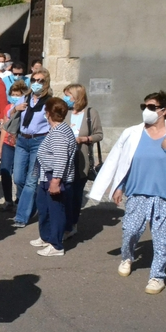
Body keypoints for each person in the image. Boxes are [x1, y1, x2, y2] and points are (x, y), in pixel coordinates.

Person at [89, 92, 166, 294]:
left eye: (151, 107)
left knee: (162, 239)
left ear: (164, 111)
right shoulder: (132, 133)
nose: (146, 111)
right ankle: (127, 257)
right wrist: (119, 186)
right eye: (143, 106)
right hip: (137, 193)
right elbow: (121, 161)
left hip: (164, 195)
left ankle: (157, 277)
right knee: (131, 231)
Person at [29, 98, 77, 257]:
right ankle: (46, 237)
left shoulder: (59, 133)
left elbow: (61, 158)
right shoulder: (57, 129)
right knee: (44, 208)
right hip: (46, 177)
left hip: (54, 178)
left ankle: (56, 245)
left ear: (48, 113)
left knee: (55, 212)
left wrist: (55, 181)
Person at [12, 69, 53, 228]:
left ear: (46, 83)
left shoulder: (49, 102)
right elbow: (9, 115)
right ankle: (31, 203)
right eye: (34, 80)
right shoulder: (24, 98)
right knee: (18, 178)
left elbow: (53, 122)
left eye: (40, 81)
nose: (36, 83)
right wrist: (16, 109)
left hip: (39, 141)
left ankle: (21, 217)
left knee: (31, 180)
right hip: (22, 140)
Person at [63, 84, 103, 239]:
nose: (66, 98)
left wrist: (84, 139)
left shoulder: (91, 113)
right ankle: (64, 222)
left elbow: (99, 134)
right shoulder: (65, 112)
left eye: (68, 95)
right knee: (65, 192)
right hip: (64, 157)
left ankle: (72, 224)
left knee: (75, 192)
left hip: (81, 158)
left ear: (77, 96)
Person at [0, 80, 29, 212]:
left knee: (19, 175)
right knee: (5, 171)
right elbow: (4, 128)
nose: (15, 97)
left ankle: (20, 200)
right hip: (8, 143)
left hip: (21, 145)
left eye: (18, 95)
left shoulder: (28, 108)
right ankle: (8, 200)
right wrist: (0, 146)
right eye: (13, 94)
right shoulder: (8, 108)